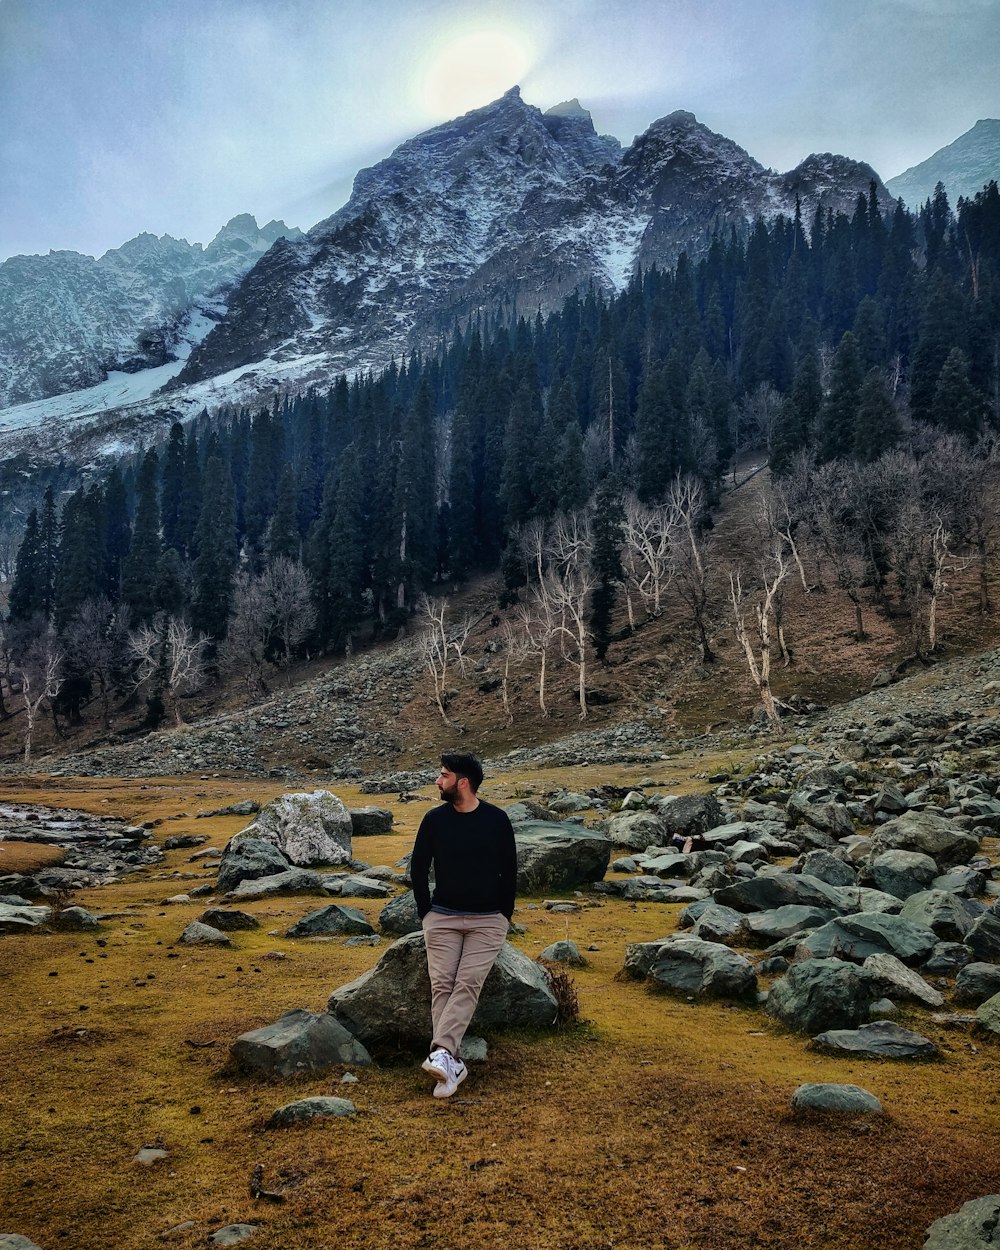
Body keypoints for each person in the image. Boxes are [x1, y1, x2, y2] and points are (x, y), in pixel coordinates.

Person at [409, 752, 517, 1098]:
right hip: (442, 917)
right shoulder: (434, 820)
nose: (438, 781)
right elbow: (418, 867)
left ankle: (441, 1052)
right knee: (442, 984)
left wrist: (504, 914)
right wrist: (426, 911)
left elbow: (509, 871)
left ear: (463, 782)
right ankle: (449, 1062)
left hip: (488, 920)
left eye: (443, 776)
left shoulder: (497, 820)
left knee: (468, 982)